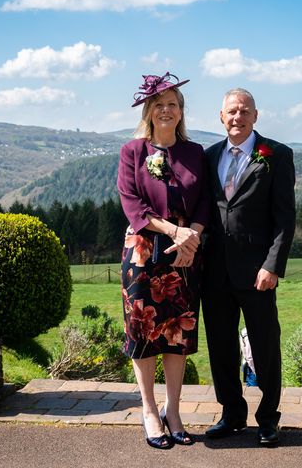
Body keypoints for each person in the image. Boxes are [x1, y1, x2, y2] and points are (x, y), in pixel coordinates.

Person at [117, 72, 209, 449]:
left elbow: (205, 202)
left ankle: (174, 410)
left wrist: (192, 238)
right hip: (143, 251)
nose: (166, 110)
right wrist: (174, 232)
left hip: (185, 253)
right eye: (160, 105)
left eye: (173, 104)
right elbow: (132, 203)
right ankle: (150, 412)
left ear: (181, 111)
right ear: (149, 112)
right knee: (144, 333)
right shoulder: (132, 152)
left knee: (178, 332)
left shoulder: (195, 153)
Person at [202, 88, 296, 446]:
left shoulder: (276, 155)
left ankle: (269, 418)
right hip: (214, 273)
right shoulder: (209, 157)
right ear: (221, 117)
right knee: (221, 347)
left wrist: (272, 265)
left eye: (244, 111)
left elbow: (285, 219)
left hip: (258, 272)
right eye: (231, 112)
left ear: (255, 116)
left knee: (266, 345)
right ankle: (231, 414)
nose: (237, 117)